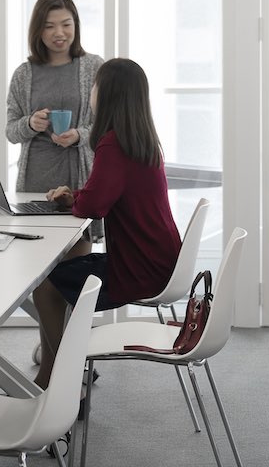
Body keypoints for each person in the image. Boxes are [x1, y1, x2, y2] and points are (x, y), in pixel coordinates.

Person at [31, 58, 181, 388]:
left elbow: (96, 206)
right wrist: (77, 198)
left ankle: (55, 380)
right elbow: (102, 197)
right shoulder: (139, 140)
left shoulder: (113, 144)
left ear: (108, 93)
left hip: (138, 270)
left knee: (47, 285)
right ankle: (64, 366)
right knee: (65, 273)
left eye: (96, 85)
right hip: (158, 261)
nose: (92, 91)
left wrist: (78, 201)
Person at [5, 0, 105, 194]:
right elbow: (11, 131)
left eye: (66, 25)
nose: (59, 32)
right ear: (38, 30)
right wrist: (30, 123)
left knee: (80, 225)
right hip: (35, 179)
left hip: (79, 179)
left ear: (76, 25)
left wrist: (79, 135)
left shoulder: (95, 67)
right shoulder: (23, 74)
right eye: (49, 26)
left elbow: (108, 125)